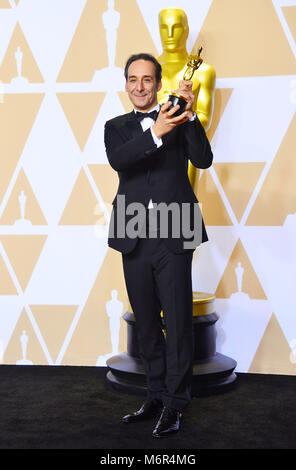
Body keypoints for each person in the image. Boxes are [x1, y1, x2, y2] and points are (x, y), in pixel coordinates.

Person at [104, 53, 213, 437]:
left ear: (157, 82)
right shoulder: (115, 127)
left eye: (147, 79)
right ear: (126, 83)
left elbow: (203, 159)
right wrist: (156, 131)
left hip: (175, 230)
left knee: (179, 322)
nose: (139, 86)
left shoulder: (180, 118)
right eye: (133, 79)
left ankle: (175, 404)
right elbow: (121, 161)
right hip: (133, 233)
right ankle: (154, 395)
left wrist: (191, 112)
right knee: (147, 322)